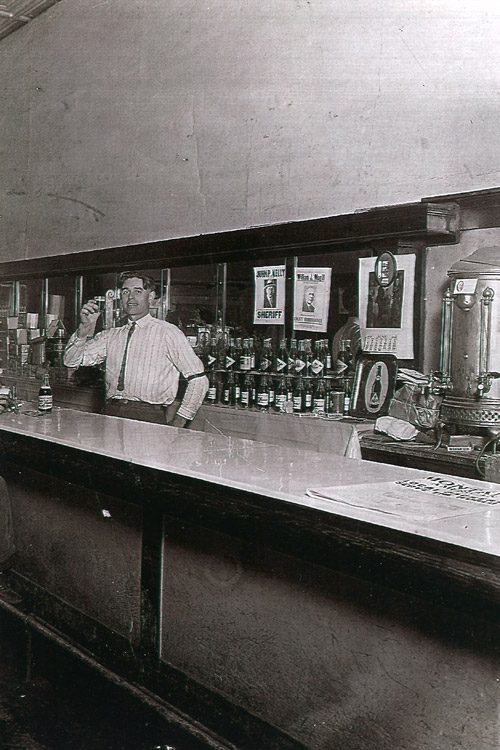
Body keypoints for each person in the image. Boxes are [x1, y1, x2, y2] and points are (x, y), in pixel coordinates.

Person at [64, 272, 208, 427]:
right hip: (111, 412)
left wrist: (180, 420)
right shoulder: (111, 335)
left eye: (138, 291)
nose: (130, 297)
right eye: (125, 292)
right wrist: (83, 329)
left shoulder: (167, 332)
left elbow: (199, 379)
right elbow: (71, 361)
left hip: (148, 415)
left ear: (151, 296)